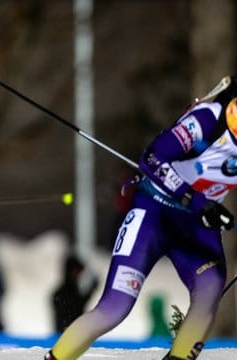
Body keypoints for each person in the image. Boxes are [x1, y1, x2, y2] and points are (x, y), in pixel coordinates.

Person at [44, 75, 237, 360]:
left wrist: (205, 209)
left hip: (194, 225)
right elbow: (153, 158)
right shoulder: (209, 119)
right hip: (154, 212)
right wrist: (198, 202)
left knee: (210, 284)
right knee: (114, 308)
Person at [50, 253, 98, 333]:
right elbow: (77, 308)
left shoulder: (71, 292)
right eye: (76, 271)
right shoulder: (61, 294)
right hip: (64, 338)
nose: (78, 275)